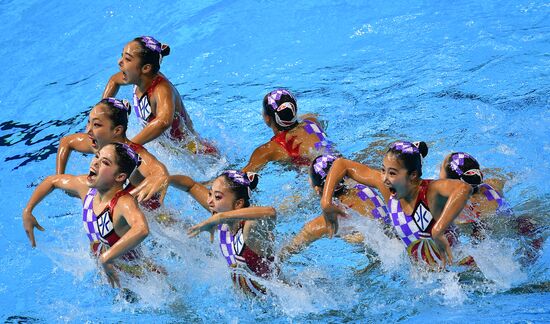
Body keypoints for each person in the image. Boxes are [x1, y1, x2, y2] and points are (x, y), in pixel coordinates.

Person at [321, 141, 474, 268]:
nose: (384, 178)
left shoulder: (430, 192)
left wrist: (438, 229)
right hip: (422, 274)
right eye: (383, 170)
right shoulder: (391, 193)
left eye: (392, 173)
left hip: (458, 269)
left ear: (413, 175)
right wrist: (326, 202)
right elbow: (342, 164)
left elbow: (464, 188)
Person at [23, 143, 150, 287]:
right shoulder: (85, 188)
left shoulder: (123, 202)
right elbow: (52, 181)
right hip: (107, 272)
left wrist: (106, 258)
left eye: (105, 162)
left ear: (120, 176)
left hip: (138, 281)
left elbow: (142, 229)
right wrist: (28, 210)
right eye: (97, 156)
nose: (95, 162)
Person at [102, 36, 217, 154]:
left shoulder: (161, 90)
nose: (119, 62)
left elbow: (163, 122)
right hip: (168, 148)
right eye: (122, 56)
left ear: (146, 68)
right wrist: (104, 113)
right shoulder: (136, 77)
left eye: (127, 59)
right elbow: (114, 81)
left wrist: (129, 146)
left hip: (195, 152)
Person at [170, 170, 276, 296]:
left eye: (217, 197)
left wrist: (220, 217)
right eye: (210, 194)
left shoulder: (249, 229)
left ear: (238, 204)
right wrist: (164, 179)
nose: (209, 201)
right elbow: (190, 185)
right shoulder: (220, 211)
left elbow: (270, 212)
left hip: (278, 304)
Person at [56, 98, 169, 206]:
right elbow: (66, 142)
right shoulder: (99, 143)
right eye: (89, 122)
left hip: (154, 219)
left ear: (117, 130)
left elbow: (161, 174)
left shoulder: (133, 155)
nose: (88, 130)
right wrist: (60, 178)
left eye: (96, 125)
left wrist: (124, 198)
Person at [279, 154, 390, 262]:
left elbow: (289, 249)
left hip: (386, 257)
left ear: (317, 189)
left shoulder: (330, 221)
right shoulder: (365, 185)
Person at [242, 89, 335, 173]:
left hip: (317, 180)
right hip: (337, 166)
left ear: (267, 118)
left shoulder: (270, 149)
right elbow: (309, 115)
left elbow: (242, 177)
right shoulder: (312, 122)